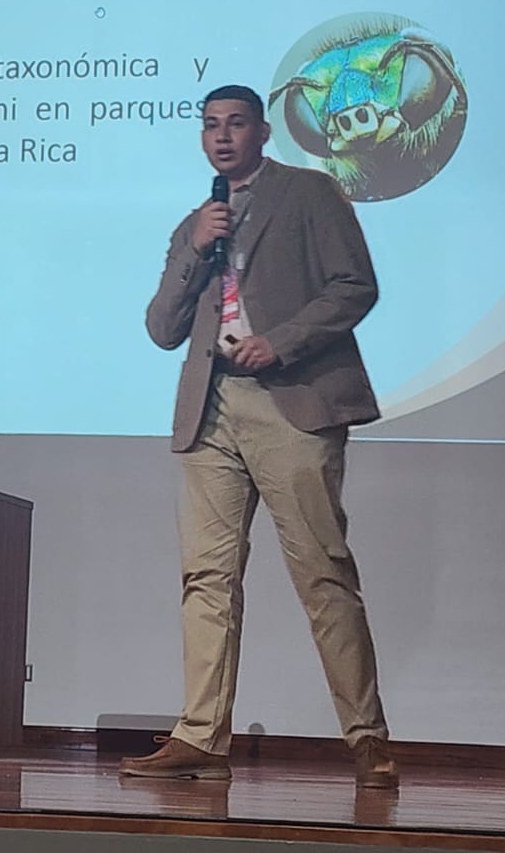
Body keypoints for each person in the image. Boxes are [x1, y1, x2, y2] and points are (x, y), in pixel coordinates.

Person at [120, 84, 398, 789]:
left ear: (263, 131)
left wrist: (282, 342)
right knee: (206, 578)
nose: (222, 136)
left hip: (290, 402)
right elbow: (160, 329)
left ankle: (369, 740)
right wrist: (194, 247)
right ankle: (201, 735)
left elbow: (354, 286)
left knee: (322, 573)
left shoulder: (310, 193)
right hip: (209, 410)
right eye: (210, 125)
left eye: (236, 123)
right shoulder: (197, 222)